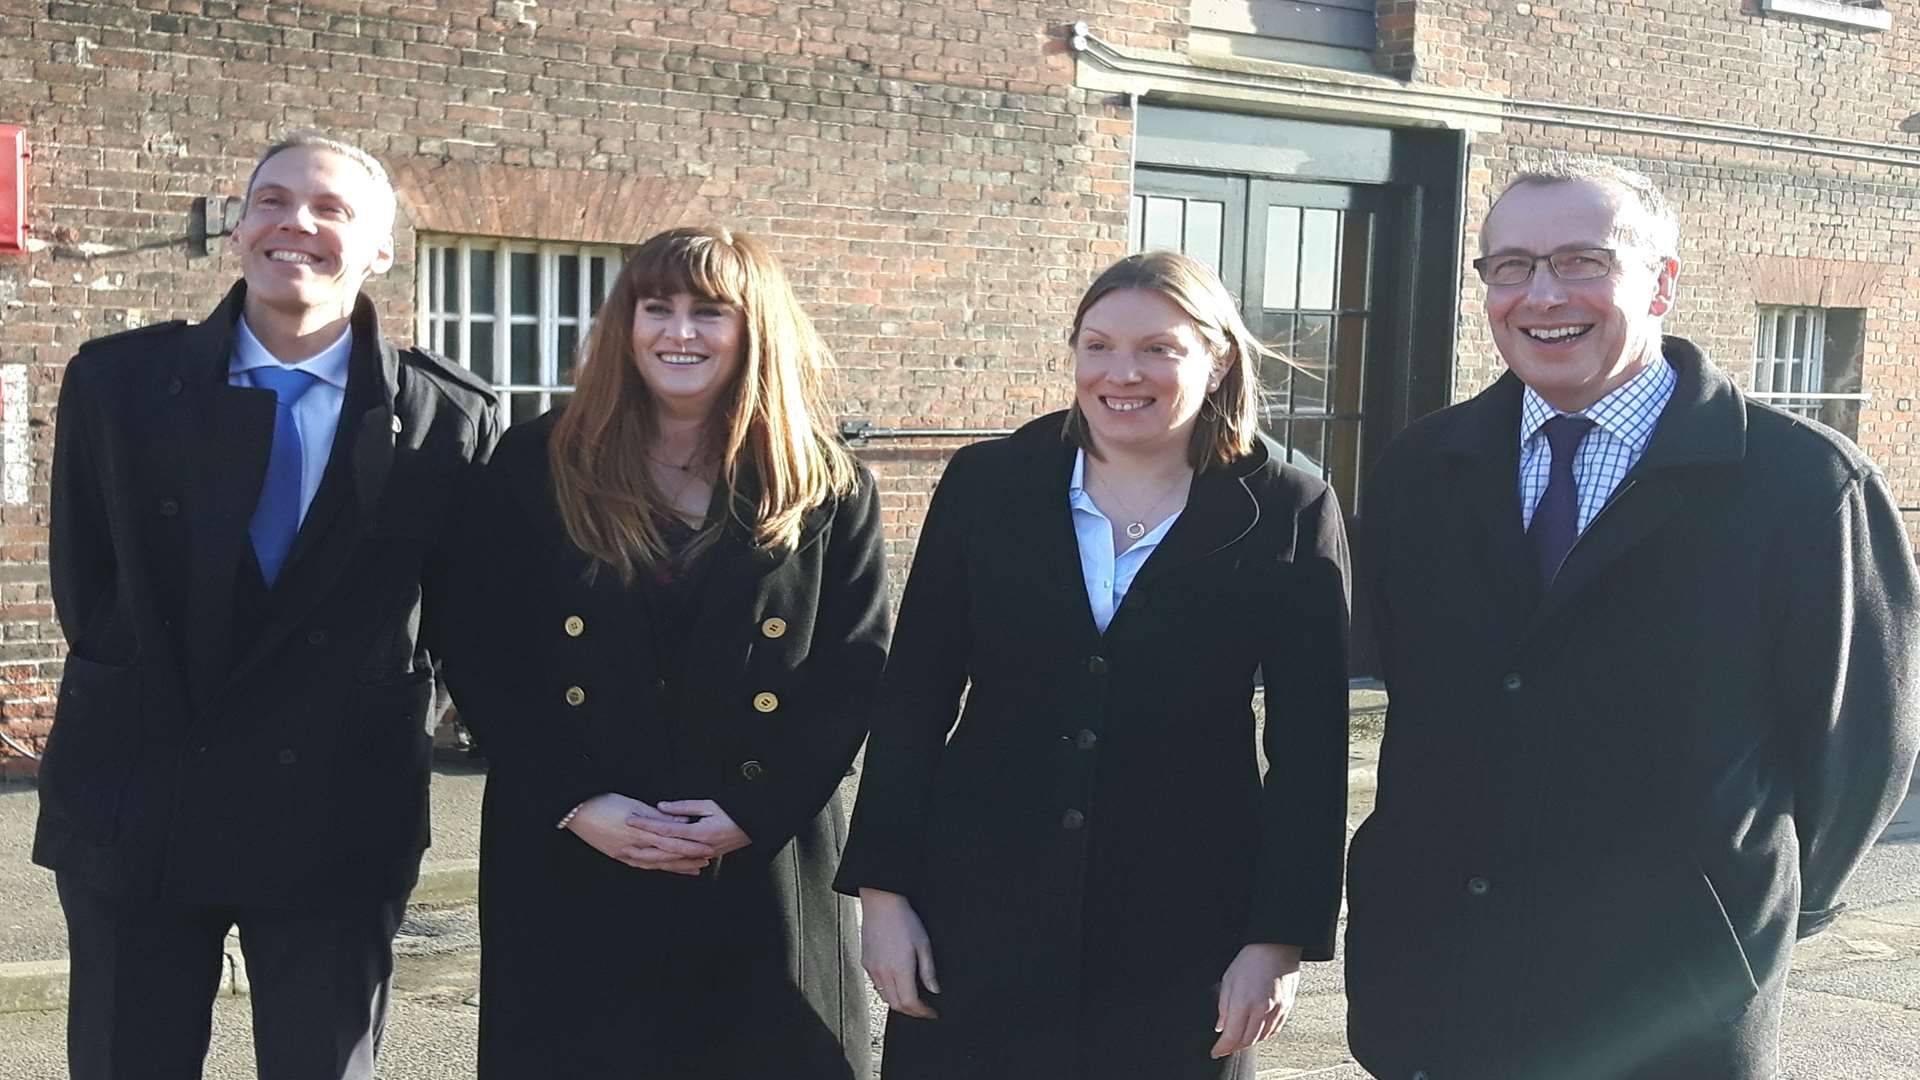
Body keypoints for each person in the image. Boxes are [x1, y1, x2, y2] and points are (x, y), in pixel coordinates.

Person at [1347, 158, 1920, 1079]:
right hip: (1443, 995)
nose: (1540, 295)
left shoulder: (1803, 486)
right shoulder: (1421, 469)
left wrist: (1743, 916)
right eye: (1510, 267)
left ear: (1662, 282)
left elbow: (1860, 748)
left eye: (1581, 261)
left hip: (1668, 1010)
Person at [37, 133, 501, 1079]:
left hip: (337, 811)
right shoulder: (117, 384)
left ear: (379, 250)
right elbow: (89, 589)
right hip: (137, 796)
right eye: (273, 201)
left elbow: (463, 624)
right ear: (240, 227)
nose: (297, 223)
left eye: (332, 210)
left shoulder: (452, 420)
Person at [836, 250, 1351, 1079]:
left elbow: (1312, 747)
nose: (1123, 373)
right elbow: (914, 697)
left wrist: (1276, 938)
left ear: (1217, 359)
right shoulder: (986, 484)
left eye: (1158, 349)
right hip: (977, 911)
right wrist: (884, 896)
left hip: (1185, 927)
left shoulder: (1288, 508)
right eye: (1098, 345)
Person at [433, 226, 889, 1079]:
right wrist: (574, 801)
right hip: (575, 850)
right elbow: (481, 649)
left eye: (710, 312)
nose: (680, 332)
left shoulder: (826, 481)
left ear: (755, 329)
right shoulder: (536, 463)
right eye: (657, 308)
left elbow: (854, 672)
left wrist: (752, 813)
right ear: (625, 324)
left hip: (759, 856)